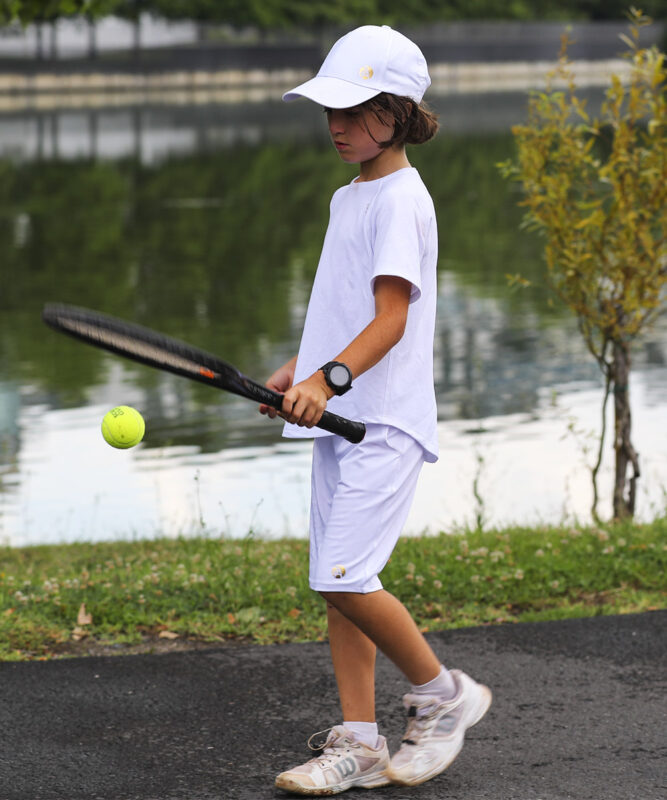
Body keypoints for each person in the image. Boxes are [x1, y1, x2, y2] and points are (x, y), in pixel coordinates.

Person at [260, 25, 491, 795]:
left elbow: (391, 320)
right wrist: (300, 370)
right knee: (340, 582)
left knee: (343, 576)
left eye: (355, 110)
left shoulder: (401, 199)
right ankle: (358, 742)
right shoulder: (350, 196)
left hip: (380, 421)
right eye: (330, 109)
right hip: (340, 419)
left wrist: (328, 381)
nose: (336, 124)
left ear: (397, 113)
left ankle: (442, 694)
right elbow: (348, 307)